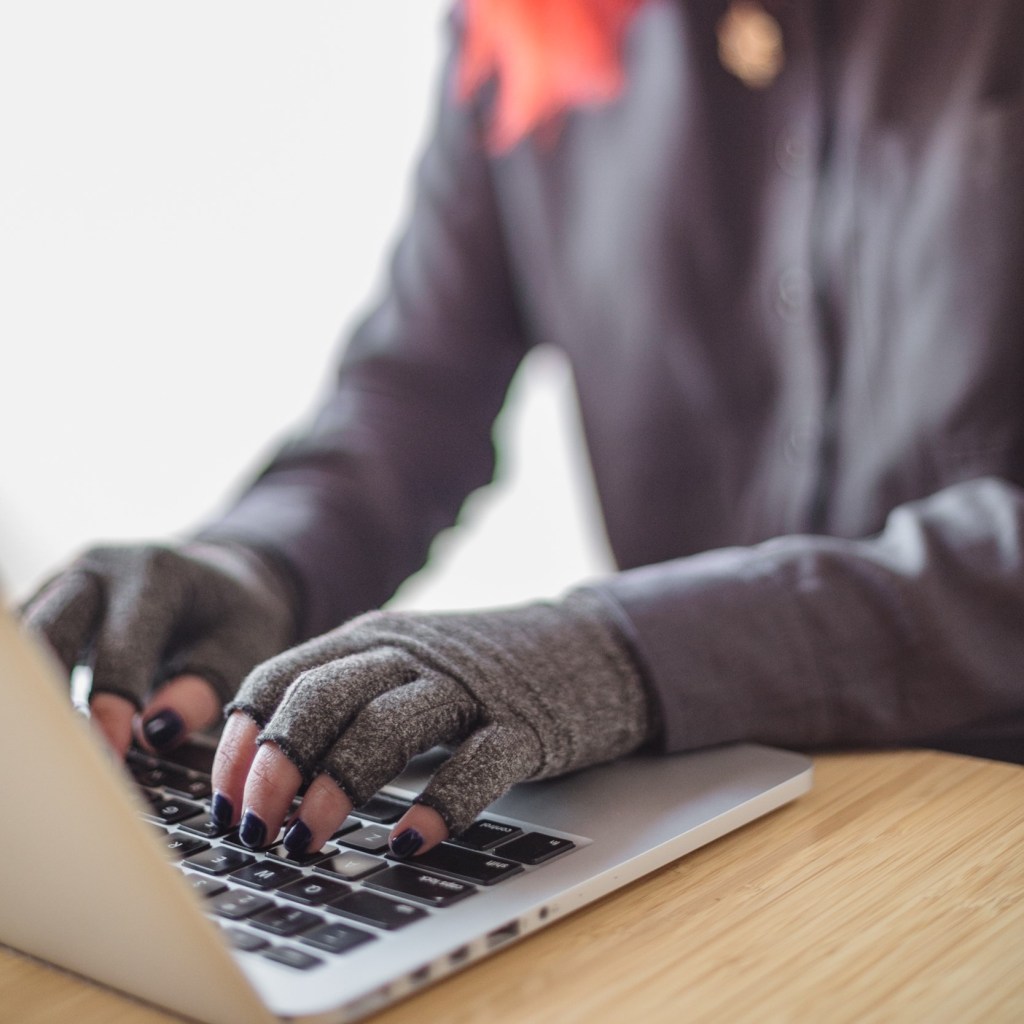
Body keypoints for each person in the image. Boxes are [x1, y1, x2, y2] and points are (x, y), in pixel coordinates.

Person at [20, 0, 1024, 862]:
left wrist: (617, 654)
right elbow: (413, 397)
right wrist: (256, 566)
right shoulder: (523, 26)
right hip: (717, 830)